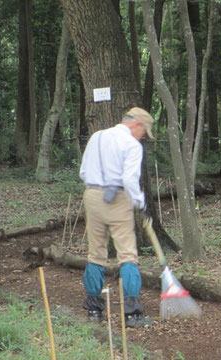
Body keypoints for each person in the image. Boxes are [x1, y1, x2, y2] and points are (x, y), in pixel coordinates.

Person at [79, 107, 154, 328]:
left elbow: (83, 172)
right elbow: (130, 179)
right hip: (119, 198)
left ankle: (94, 310)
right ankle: (132, 314)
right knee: (127, 255)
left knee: (96, 253)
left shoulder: (97, 136)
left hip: (92, 195)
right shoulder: (132, 145)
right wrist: (139, 201)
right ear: (136, 124)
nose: (143, 136)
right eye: (144, 131)